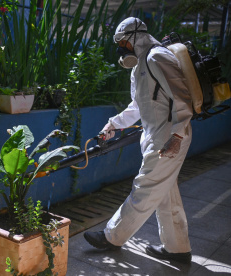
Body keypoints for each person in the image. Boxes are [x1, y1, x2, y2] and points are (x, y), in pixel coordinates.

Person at [83, 17, 194, 264]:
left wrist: (176, 136)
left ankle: (112, 236)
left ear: (136, 36)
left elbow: (182, 96)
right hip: (155, 135)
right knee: (165, 192)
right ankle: (178, 248)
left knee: (144, 188)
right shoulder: (140, 65)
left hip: (168, 137)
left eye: (123, 42)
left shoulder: (157, 57)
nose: (122, 48)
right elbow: (139, 106)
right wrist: (113, 124)